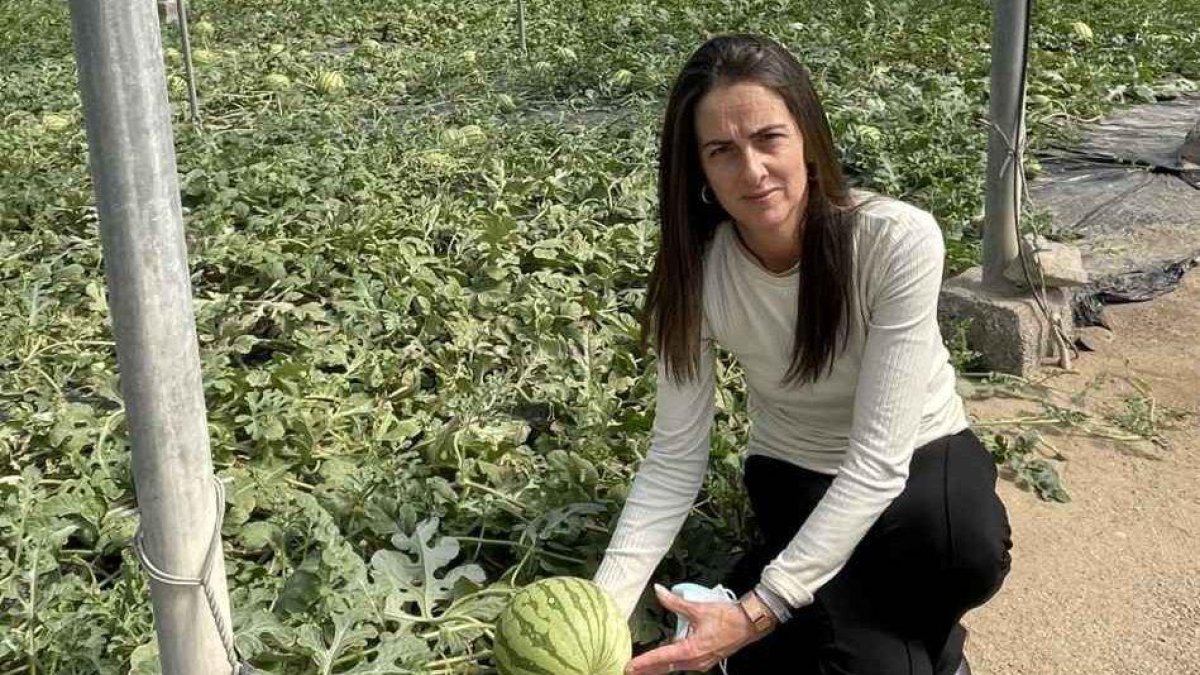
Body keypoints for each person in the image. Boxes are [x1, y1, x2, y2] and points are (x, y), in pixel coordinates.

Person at [592, 34, 1012, 675]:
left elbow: (877, 463)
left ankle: (766, 602)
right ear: (698, 171)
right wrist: (598, 613)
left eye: (769, 138)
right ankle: (908, 647)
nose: (752, 170)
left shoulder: (894, 240)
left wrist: (759, 610)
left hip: (922, 456)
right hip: (797, 467)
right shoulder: (697, 274)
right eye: (721, 152)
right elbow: (676, 457)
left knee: (967, 552)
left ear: (808, 138)